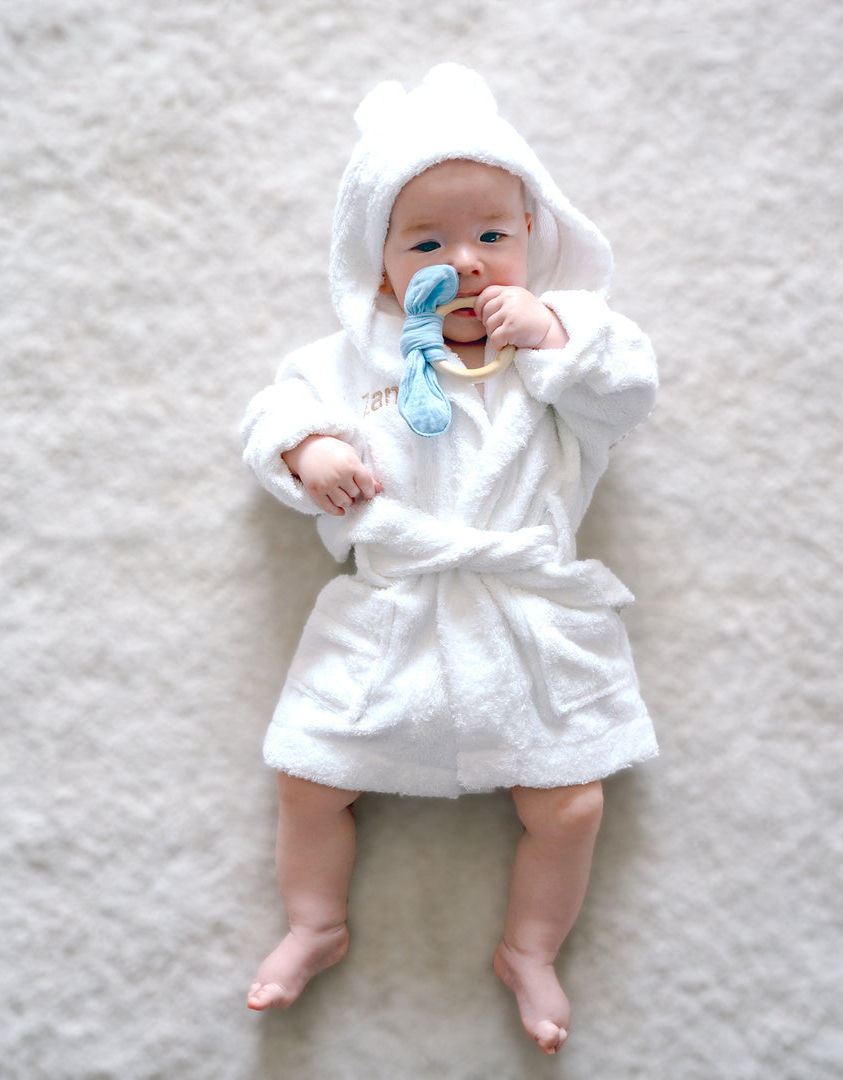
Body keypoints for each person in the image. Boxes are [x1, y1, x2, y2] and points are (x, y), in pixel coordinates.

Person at [240, 63, 658, 1055]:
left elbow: (626, 388)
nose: (465, 263)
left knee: (571, 804)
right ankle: (315, 923)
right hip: (394, 609)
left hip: (528, 616)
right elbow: (273, 410)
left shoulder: (564, 341)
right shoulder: (363, 361)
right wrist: (311, 451)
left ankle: (530, 948)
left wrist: (552, 330)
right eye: (427, 241)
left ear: (534, 237)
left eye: (492, 238)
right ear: (380, 264)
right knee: (308, 780)